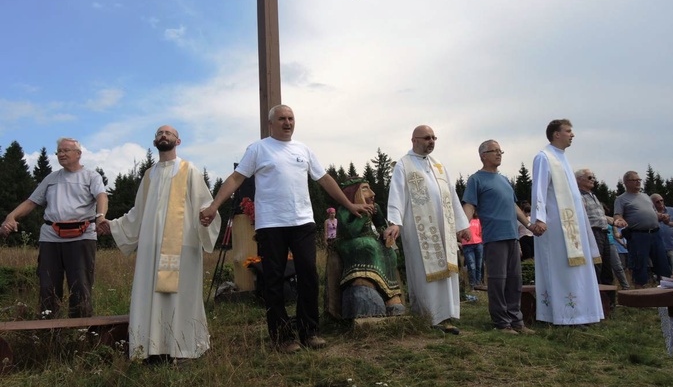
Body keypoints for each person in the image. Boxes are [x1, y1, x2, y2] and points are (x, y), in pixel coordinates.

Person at [199, 105, 371, 354]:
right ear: (271, 124)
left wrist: (349, 204)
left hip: (302, 222)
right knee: (274, 280)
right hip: (271, 224)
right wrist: (215, 206)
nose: (287, 122)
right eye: (282, 119)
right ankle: (282, 337)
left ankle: (309, 331)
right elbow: (236, 179)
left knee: (309, 275)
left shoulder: (304, 150)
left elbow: (324, 179)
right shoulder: (258, 149)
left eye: (291, 118)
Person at [97, 126, 220, 362]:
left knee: (181, 294)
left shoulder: (189, 170)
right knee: (150, 292)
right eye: (159, 133)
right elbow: (138, 213)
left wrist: (207, 216)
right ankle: (151, 347)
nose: (163, 135)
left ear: (178, 140)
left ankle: (183, 348)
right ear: (155, 141)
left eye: (168, 133)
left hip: (183, 245)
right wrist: (113, 225)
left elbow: (205, 204)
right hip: (151, 248)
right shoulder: (149, 175)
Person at [1, 138, 107, 318]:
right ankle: (48, 334)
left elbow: (102, 196)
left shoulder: (91, 176)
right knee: (47, 287)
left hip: (82, 237)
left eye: (66, 150)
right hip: (50, 238)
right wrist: (11, 216)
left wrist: (101, 216)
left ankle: (80, 336)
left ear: (78, 154)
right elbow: (31, 201)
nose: (62, 154)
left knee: (80, 287)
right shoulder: (51, 178)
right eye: (59, 151)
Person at [387, 125, 470, 333]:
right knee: (425, 272)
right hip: (419, 231)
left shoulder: (438, 165)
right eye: (426, 138)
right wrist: (395, 222)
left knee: (446, 271)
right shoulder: (404, 165)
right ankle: (427, 317)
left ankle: (445, 315)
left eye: (433, 137)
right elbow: (396, 195)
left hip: (444, 228)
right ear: (413, 140)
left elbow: (451, 194)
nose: (431, 141)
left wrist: (461, 225)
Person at [531, 119, 603, 326]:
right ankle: (562, 314)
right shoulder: (544, 157)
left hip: (572, 227)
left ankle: (580, 313)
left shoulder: (562, 159)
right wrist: (539, 219)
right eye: (568, 131)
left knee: (577, 269)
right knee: (560, 268)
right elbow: (539, 190)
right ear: (556, 134)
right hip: (555, 227)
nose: (572, 135)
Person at [463, 139, 538, 335]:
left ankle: (517, 321)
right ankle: (501, 322)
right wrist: (464, 226)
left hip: (512, 236)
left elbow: (514, 207)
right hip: (494, 236)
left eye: (500, 151)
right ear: (483, 156)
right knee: (498, 280)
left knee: (515, 280)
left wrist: (528, 225)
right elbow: (470, 205)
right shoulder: (476, 179)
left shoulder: (504, 180)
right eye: (493, 151)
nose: (498, 154)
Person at [333, 177, 403, 318]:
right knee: (367, 245)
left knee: (389, 252)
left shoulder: (375, 208)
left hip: (371, 238)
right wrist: (364, 214)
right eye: (365, 189)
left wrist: (387, 233)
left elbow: (381, 225)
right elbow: (350, 232)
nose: (372, 193)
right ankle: (364, 286)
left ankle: (390, 295)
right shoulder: (344, 210)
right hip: (351, 241)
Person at [613, 171, 671, 288]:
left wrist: (661, 216)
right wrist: (619, 220)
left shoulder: (645, 196)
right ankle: (639, 295)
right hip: (638, 236)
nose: (638, 182)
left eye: (639, 180)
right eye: (635, 180)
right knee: (639, 265)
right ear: (627, 183)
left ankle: (666, 295)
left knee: (662, 264)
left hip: (655, 233)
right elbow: (617, 215)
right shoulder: (621, 199)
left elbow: (654, 213)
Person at [575, 169, 614, 301]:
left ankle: (609, 301)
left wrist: (615, 221)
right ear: (579, 179)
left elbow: (600, 216)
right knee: (596, 266)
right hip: (593, 233)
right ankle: (595, 301)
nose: (593, 180)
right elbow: (581, 216)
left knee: (607, 267)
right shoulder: (578, 196)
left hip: (604, 232)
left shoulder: (593, 195)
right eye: (590, 177)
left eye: (593, 177)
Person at [461, 210, 484, 290]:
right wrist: (461, 241)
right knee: (471, 266)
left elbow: (481, 233)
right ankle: (472, 285)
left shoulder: (478, 220)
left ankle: (478, 284)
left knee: (479, 265)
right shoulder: (464, 221)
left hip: (478, 244)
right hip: (467, 245)